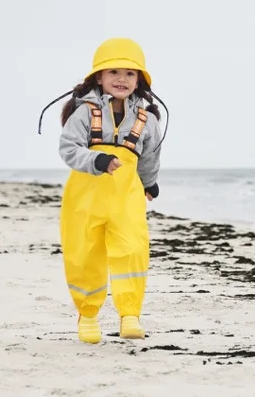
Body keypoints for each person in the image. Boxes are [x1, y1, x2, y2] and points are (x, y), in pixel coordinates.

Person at [47, 38, 167, 344]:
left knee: (132, 250)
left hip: (127, 198)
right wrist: (96, 159)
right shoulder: (84, 113)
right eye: (113, 71)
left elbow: (151, 156)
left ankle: (130, 315)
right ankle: (87, 316)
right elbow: (68, 148)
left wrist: (149, 182)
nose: (121, 79)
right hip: (85, 199)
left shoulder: (148, 120)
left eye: (130, 73)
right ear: (98, 77)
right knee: (85, 254)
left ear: (139, 79)